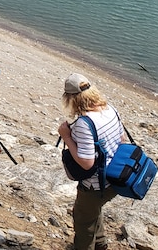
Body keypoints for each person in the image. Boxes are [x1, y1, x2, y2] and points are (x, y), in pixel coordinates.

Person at [57, 73, 127, 250]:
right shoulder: (110, 109)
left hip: (95, 185)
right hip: (115, 178)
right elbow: (122, 140)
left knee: (83, 220)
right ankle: (101, 244)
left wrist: (66, 137)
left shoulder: (84, 123)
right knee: (94, 211)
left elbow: (86, 163)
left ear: (71, 98)